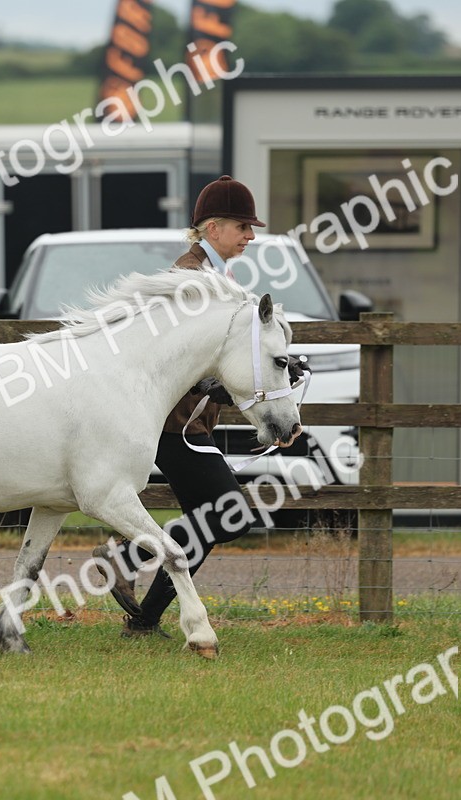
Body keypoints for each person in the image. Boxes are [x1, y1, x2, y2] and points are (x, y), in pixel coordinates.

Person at [92, 175, 304, 638]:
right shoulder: (190, 280)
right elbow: (172, 360)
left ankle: (143, 619)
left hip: (190, 421)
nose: (250, 236)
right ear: (212, 229)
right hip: (176, 425)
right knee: (230, 515)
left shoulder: (214, 278)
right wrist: (222, 387)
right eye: (242, 227)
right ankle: (127, 558)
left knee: (208, 523)